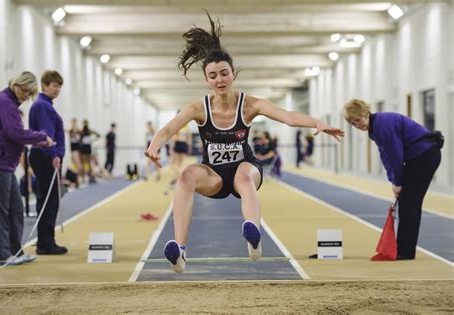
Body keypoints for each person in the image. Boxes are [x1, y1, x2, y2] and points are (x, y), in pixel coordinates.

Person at [145, 12, 344, 273]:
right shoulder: (197, 108)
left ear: (233, 74)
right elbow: (170, 127)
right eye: (213, 76)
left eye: (224, 74)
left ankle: (254, 235)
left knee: (243, 175)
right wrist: (154, 146)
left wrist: (316, 122)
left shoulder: (249, 105)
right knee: (185, 176)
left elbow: (287, 116)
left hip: (246, 169)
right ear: (207, 80)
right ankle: (180, 250)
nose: (220, 80)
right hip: (213, 175)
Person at [343, 99, 442, 260]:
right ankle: (403, 249)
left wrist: (398, 183)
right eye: (353, 124)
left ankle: (405, 252)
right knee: (407, 202)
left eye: (358, 120)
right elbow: (386, 156)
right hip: (417, 158)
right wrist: (393, 180)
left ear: (365, 113)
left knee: (409, 203)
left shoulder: (382, 124)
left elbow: (396, 155)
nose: (357, 125)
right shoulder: (374, 129)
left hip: (425, 156)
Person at [0, 71, 54, 265]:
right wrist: (41, 137)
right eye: (26, 93)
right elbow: (15, 133)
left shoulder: (9, 102)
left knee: (15, 208)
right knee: (0, 210)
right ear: (18, 86)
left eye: (30, 94)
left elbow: (14, 134)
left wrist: (38, 141)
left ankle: (15, 252)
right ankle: (2, 256)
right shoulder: (5, 102)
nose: (27, 98)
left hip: (4, 164)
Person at [29, 70, 67, 255]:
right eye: (54, 85)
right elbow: (46, 135)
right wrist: (54, 155)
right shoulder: (43, 106)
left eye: (59, 86)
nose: (57, 89)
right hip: (46, 157)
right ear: (44, 85)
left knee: (46, 199)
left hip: (44, 156)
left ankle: (44, 241)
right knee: (49, 201)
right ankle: (46, 243)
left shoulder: (45, 105)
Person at [79, 119, 100, 184]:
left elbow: (98, 135)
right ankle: (84, 178)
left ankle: (89, 178)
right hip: (84, 148)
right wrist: (83, 142)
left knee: (88, 163)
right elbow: (78, 139)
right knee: (84, 163)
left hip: (86, 148)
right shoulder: (82, 131)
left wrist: (92, 140)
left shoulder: (88, 131)